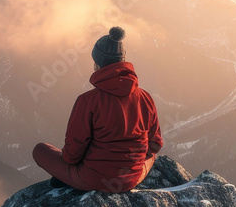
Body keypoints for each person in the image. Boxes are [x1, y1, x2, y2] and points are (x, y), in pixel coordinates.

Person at [32, 27, 162, 193]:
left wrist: (69, 168)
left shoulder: (87, 101)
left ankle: (71, 179)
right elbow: (155, 144)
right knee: (153, 157)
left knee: (40, 150)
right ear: (122, 61)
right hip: (131, 178)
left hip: (93, 179)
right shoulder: (145, 97)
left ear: (97, 64)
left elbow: (72, 155)